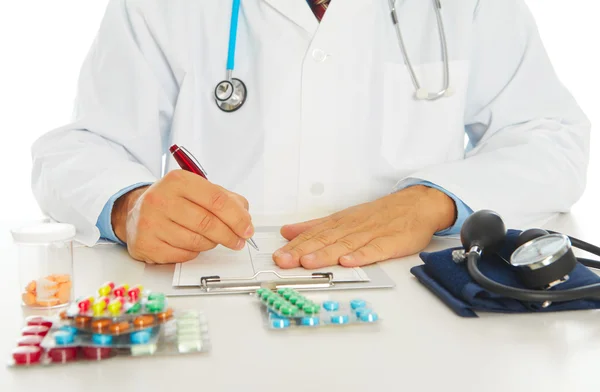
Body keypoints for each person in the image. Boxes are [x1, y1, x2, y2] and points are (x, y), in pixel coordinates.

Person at [31, 0, 590, 268]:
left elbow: (552, 137)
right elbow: (78, 148)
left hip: (424, 299)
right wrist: (130, 206)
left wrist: (436, 202)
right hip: (223, 290)